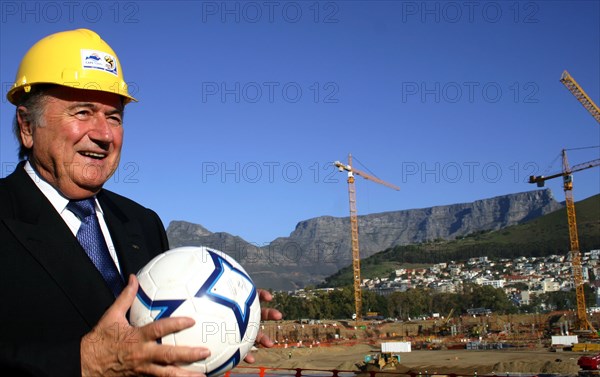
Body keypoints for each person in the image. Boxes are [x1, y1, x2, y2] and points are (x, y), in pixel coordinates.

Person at [0, 29, 282, 376]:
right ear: (27, 126)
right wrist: (84, 363)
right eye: (83, 112)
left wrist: (222, 318)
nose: (104, 134)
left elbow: (156, 323)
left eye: (114, 117)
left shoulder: (142, 222)